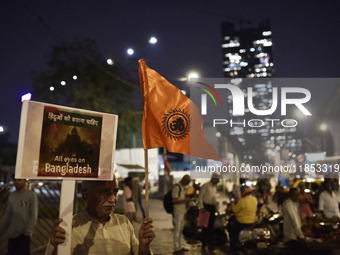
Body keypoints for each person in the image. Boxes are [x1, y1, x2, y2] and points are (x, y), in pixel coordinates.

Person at [45, 178, 155, 255]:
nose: (112, 199)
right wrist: (58, 249)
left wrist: (144, 246)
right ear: (86, 195)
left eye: (115, 192)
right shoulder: (69, 227)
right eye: (104, 192)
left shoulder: (123, 222)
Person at [0, 178, 38, 255]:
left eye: (19, 180)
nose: (16, 182)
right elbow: (8, 215)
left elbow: (34, 213)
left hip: (24, 233)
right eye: (15, 180)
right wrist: (1, 231)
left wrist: (28, 230)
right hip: (12, 233)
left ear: (25, 181)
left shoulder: (31, 195)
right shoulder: (12, 196)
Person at [228, 185, 257, 254]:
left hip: (241, 222)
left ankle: (233, 248)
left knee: (232, 232)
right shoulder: (254, 199)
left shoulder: (242, 201)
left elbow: (235, 210)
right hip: (252, 221)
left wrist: (232, 204)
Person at [198, 173, 220, 251]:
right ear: (213, 179)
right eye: (217, 179)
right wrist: (202, 207)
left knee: (211, 227)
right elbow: (200, 197)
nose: (218, 181)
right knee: (205, 227)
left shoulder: (214, 188)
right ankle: (204, 244)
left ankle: (209, 244)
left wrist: (217, 210)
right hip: (206, 207)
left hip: (212, 208)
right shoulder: (205, 186)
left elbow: (215, 200)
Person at [172, 174, 192, 254]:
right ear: (184, 180)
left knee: (180, 229)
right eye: (187, 182)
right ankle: (176, 248)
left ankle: (179, 246)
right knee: (177, 230)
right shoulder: (177, 187)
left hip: (182, 211)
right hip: (178, 210)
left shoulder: (182, 187)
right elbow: (174, 200)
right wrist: (185, 200)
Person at [282, 188, 305, 255]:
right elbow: (294, 220)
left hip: (294, 235)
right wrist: (301, 236)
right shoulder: (289, 204)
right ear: (290, 195)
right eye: (295, 195)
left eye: (298, 195)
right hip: (292, 236)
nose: (297, 197)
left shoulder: (294, 204)